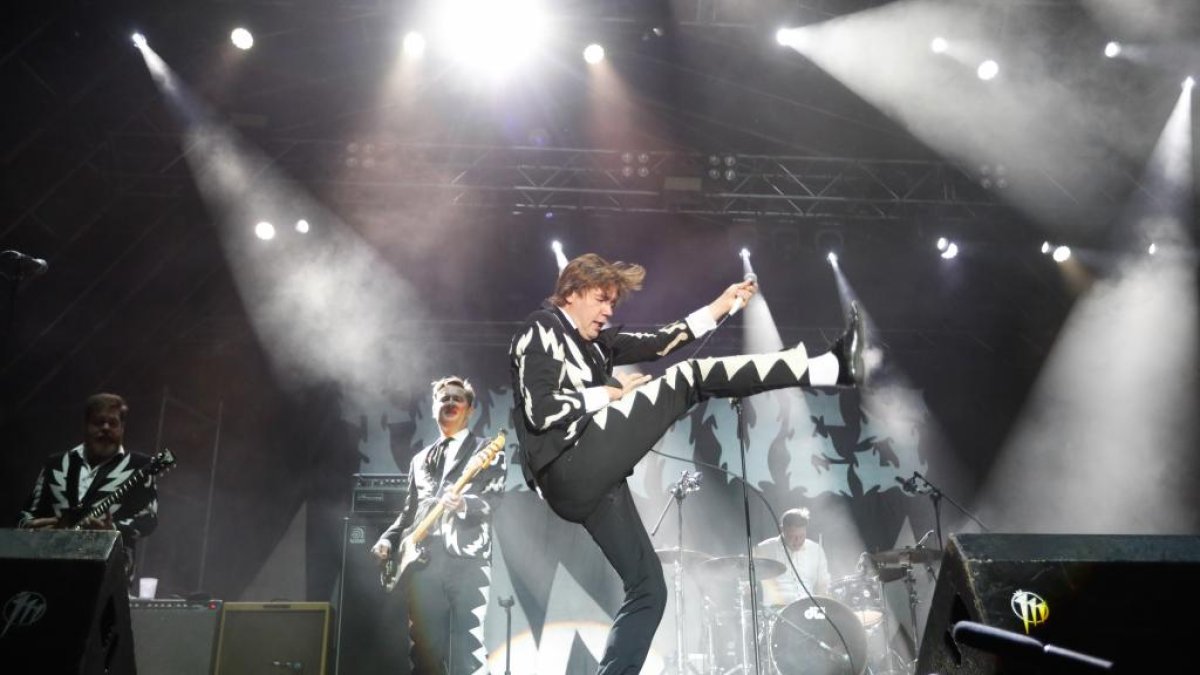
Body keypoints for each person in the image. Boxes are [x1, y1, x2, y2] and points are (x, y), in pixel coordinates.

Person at [509, 252, 865, 674]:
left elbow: (663, 340)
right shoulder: (541, 328)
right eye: (602, 300)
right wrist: (607, 395)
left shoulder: (597, 345)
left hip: (594, 484)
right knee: (689, 378)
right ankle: (829, 367)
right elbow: (540, 410)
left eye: (613, 304)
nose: (608, 311)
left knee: (649, 590)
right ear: (572, 292)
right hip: (567, 467)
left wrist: (721, 305)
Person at [371, 376, 506, 675]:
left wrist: (463, 504)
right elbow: (409, 513)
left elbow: (493, 500)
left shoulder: (487, 449)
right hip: (422, 563)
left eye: (457, 398)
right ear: (434, 408)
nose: (450, 402)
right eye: (443, 398)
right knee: (424, 651)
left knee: (466, 648)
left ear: (470, 409)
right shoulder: (419, 459)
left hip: (467, 562)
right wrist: (389, 540)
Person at [17, 392, 159, 584]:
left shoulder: (140, 466)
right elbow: (26, 515)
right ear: (85, 425)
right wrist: (32, 527)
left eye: (113, 423)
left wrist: (113, 530)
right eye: (98, 422)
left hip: (109, 577)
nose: (106, 428)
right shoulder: (56, 463)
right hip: (49, 572)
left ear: (123, 427)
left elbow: (148, 520)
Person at [755, 507, 832, 605]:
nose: (798, 541)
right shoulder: (763, 549)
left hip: (808, 609)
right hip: (777, 610)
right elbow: (750, 580)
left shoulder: (816, 549)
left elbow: (823, 584)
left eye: (802, 536)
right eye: (792, 537)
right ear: (782, 529)